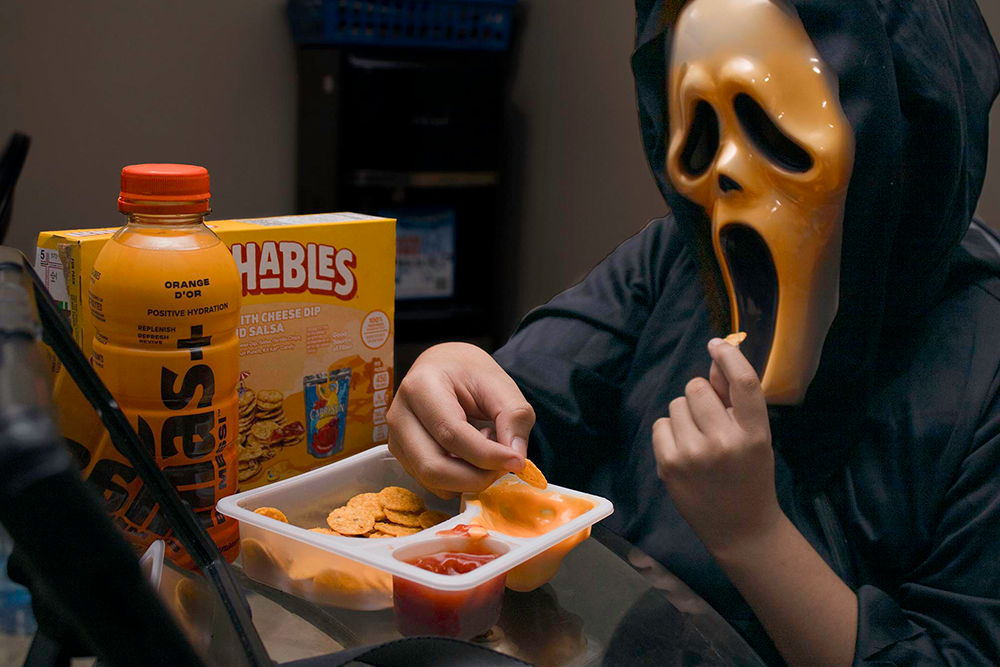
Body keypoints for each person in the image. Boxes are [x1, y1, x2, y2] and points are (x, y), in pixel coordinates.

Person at [386, 0, 1000, 665]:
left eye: (775, 127)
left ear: (903, 140)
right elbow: (522, 412)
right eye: (699, 130)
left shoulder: (981, 366)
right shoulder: (673, 263)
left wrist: (753, 534)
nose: (723, 174)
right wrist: (454, 380)